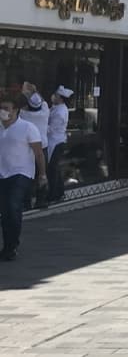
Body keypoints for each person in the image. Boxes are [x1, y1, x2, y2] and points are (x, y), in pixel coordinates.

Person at [0, 92, 47, 260]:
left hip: (21, 173)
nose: (3, 111)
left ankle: (11, 246)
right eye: (1, 108)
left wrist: (42, 174)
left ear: (16, 110)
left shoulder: (28, 128)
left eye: (6, 108)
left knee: (13, 206)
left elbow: (38, 153)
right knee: (5, 211)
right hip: (2, 174)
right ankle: (8, 243)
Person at [19, 84, 50, 209]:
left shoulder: (24, 114)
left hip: (28, 149)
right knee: (41, 174)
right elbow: (43, 102)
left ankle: (26, 203)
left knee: (28, 175)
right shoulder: (45, 111)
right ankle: (40, 201)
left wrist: (27, 93)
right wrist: (35, 91)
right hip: (43, 148)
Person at [45, 86, 72, 203]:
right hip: (55, 141)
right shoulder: (57, 108)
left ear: (60, 98)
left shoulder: (60, 111)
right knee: (55, 169)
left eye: (56, 95)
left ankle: (53, 194)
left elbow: (51, 128)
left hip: (56, 142)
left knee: (52, 169)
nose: (53, 97)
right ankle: (59, 192)